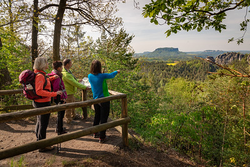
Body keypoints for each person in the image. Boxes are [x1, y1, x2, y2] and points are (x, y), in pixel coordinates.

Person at [33, 57, 63, 152]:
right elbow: (39, 91)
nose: (48, 64)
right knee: (43, 124)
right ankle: (42, 145)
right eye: (46, 62)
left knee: (40, 121)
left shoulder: (40, 74)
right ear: (42, 64)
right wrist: (54, 93)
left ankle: (39, 141)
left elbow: (44, 81)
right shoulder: (40, 75)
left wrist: (53, 78)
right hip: (42, 103)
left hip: (39, 102)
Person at [88, 60, 120, 143]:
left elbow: (98, 79)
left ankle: (95, 132)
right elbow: (111, 75)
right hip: (104, 99)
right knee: (104, 118)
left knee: (97, 116)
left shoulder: (90, 76)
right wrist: (117, 71)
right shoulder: (102, 76)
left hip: (96, 99)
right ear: (99, 67)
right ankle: (102, 137)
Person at [62, 59, 87, 124]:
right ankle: (69, 120)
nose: (71, 64)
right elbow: (74, 83)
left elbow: (73, 80)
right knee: (69, 107)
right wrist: (85, 87)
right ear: (67, 64)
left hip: (71, 92)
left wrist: (78, 80)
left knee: (73, 105)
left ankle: (73, 116)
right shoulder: (66, 74)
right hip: (68, 93)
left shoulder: (68, 71)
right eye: (70, 63)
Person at [48, 61, 67, 135]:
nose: (62, 68)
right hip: (59, 98)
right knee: (61, 114)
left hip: (57, 97)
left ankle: (59, 128)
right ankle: (59, 130)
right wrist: (63, 98)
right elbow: (57, 89)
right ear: (59, 68)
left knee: (60, 114)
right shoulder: (57, 76)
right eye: (61, 67)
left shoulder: (53, 74)